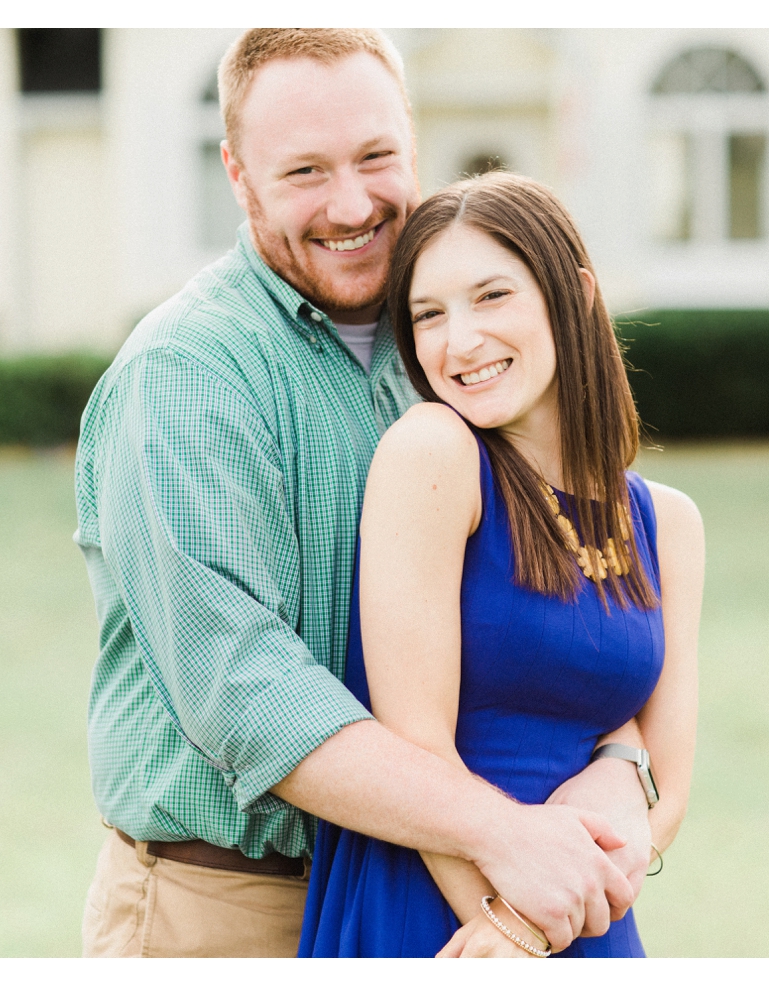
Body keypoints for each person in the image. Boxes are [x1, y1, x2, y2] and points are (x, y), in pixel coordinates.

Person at [74, 29, 653, 958]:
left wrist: (623, 760)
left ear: (412, 143)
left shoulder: (442, 348)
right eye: (304, 170)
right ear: (237, 172)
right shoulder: (187, 375)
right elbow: (244, 690)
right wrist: (501, 836)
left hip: (423, 884)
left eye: (376, 156)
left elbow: (534, 604)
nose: (352, 203)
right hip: (228, 903)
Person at [297, 172, 705, 958]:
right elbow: (415, 746)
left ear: (574, 295)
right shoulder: (433, 453)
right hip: (433, 911)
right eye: (428, 314)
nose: (460, 342)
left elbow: (671, 794)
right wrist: (507, 928)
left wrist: (619, 772)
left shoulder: (668, 525)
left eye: (491, 297)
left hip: (584, 919)